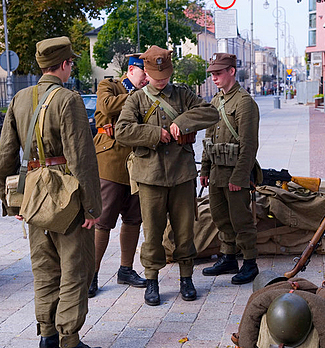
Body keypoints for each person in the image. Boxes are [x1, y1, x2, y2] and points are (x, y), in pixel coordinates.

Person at [0, 36, 101, 348]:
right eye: (72, 63)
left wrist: (9, 200)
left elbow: (5, 155)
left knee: (43, 269)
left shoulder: (20, 99)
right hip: (66, 196)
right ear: (65, 64)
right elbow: (82, 158)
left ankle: (47, 336)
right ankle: (69, 339)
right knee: (75, 268)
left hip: (33, 195)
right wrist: (92, 207)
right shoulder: (69, 100)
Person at [116, 45, 219, 306]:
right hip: (150, 177)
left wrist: (181, 123)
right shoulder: (136, 99)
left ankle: (186, 278)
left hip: (182, 175)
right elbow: (122, 131)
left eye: (166, 77)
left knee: (185, 230)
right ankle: (152, 280)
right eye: (156, 77)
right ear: (146, 73)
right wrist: (154, 134)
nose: (162, 82)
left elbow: (210, 112)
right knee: (152, 233)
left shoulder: (183, 94)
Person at [88, 54, 148, 298]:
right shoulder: (109, 85)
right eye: (143, 73)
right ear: (131, 70)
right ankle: (91, 275)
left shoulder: (148, 92)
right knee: (103, 221)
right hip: (110, 161)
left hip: (137, 163)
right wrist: (138, 94)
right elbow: (107, 106)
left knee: (134, 219)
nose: (147, 78)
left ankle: (126, 269)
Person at [200, 53, 261, 285]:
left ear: (232, 71)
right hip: (217, 173)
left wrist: (240, 176)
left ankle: (249, 263)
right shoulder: (216, 101)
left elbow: (249, 144)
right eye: (212, 74)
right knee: (220, 217)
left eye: (218, 73)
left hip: (235, 174)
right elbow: (209, 139)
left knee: (241, 220)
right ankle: (228, 257)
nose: (214, 78)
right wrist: (204, 170)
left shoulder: (244, 102)